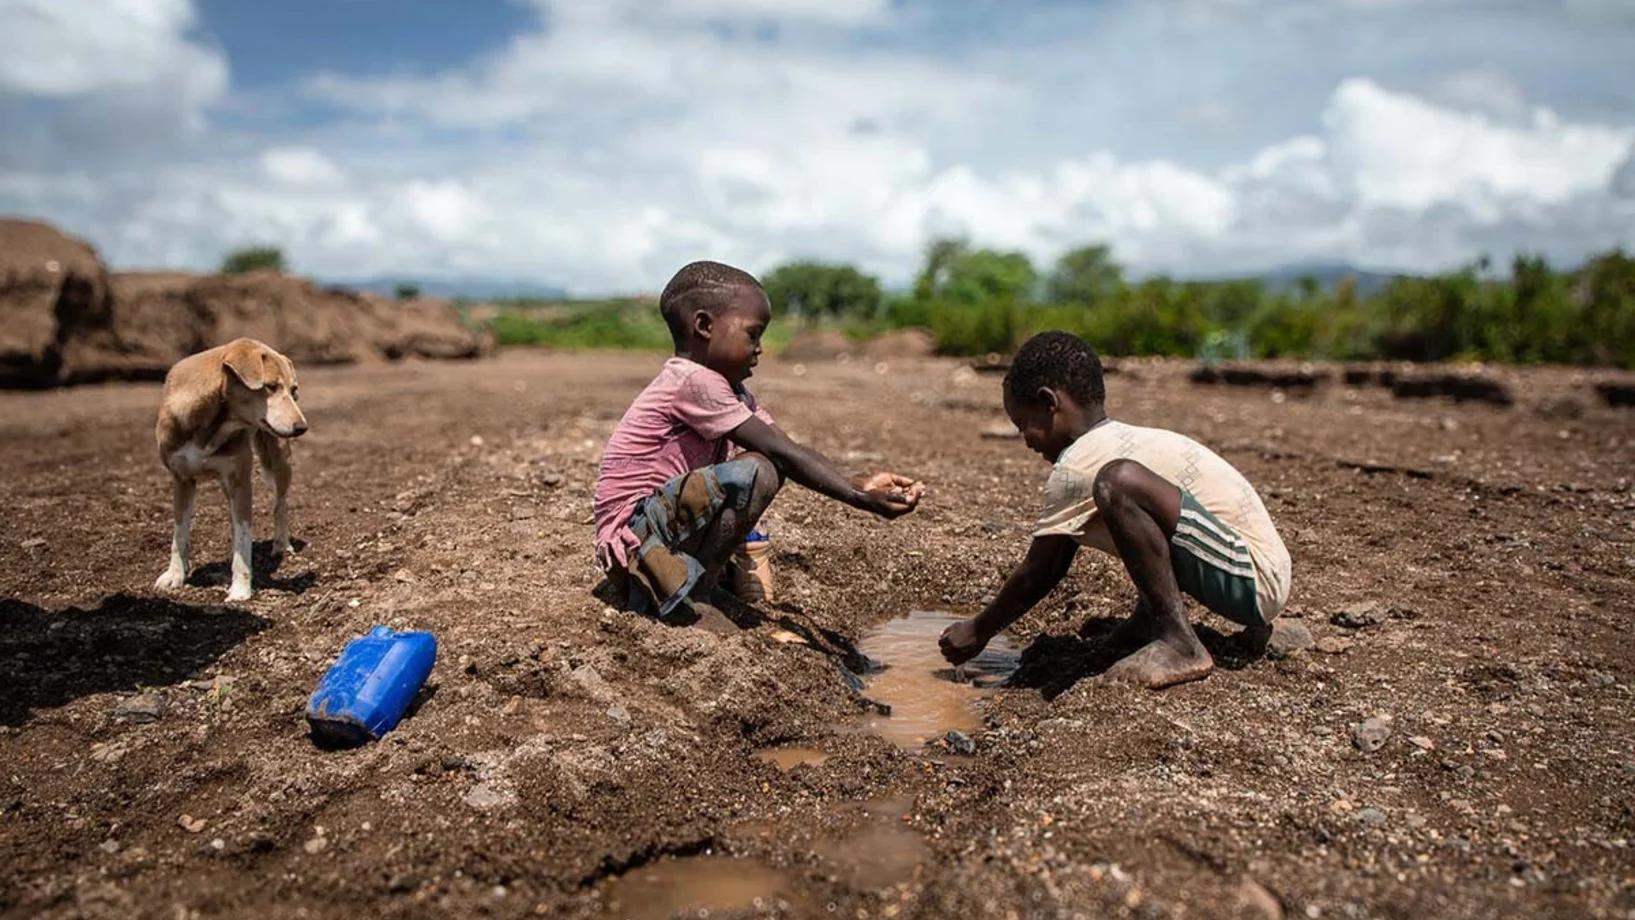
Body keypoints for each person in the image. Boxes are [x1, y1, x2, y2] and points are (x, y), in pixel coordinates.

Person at [939, 331, 1292, 688]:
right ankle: (1152, 620)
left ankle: (1180, 644)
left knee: (1118, 484)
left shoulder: (1080, 464)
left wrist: (978, 629)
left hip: (1252, 579)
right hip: (1252, 567)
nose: (1025, 440)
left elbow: (1042, 569)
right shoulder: (1114, 440)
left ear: (1049, 403)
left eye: (1022, 425)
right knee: (1122, 496)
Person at [593, 260, 924, 622]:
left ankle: (700, 582)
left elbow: (784, 443)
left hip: (653, 531)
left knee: (765, 463)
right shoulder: (691, 381)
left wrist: (858, 479)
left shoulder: (728, 390)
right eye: (753, 334)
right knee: (759, 470)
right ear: (704, 326)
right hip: (635, 543)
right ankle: (695, 593)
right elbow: (777, 453)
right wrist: (858, 498)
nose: (760, 349)